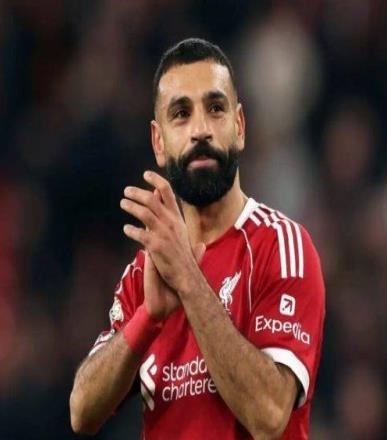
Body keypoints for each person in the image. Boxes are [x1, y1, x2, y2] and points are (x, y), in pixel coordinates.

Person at [69, 38, 325, 440]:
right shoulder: (147, 270)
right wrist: (148, 318)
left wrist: (188, 279)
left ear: (239, 127)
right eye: (181, 114)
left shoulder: (281, 245)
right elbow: (81, 412)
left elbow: (270, 414)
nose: (200, 130)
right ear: (158, 143)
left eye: (215, 108)